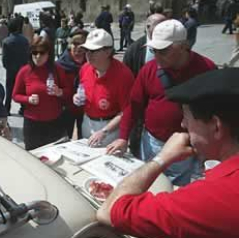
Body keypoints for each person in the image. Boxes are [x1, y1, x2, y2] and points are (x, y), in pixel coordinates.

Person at [97, 68, 239, 238]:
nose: (183, 124)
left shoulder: (212, 198)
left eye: (187, 118)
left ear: (216, 126)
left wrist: (161, 159)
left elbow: (109, 212)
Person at [107, 19, 216, 186]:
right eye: (153, 50)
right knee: (149, 184)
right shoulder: (149, 69)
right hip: (152, 143)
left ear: (183, 46)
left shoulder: (207, 69)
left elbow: (217, 113)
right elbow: (133, 105)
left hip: (186, 146)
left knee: (175, 189)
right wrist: (123, 137)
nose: (156, 55)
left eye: (163, 50)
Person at [75, 29, 134, 147]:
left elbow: (127, 111)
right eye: (87, 50)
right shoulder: (85, 68)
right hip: (87, 122)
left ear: (108, 51)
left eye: (93, 51)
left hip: (110, 129)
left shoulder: (123, 75)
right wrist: (76, 97)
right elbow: (81, 91)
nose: (88, 54)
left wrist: (104, 131)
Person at [12, 36, 71, 150]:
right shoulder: (24, 71)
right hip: (32, 124)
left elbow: (69, 91)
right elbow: (15, 95)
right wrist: (28, 99)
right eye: (35, 52)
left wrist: (59, 92)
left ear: (48, 54)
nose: (38, 56)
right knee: (34, 159)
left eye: (42, 53)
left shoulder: (57, 70)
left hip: (54, 123)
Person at [122, 13, 167, 157]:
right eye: (158, 26)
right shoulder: (134, 49)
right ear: (148, 27)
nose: (162, 29)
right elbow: (127, 77)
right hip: (139, 103)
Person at [56, 29, 88, 139]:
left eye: (82, 44)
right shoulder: (60, 65)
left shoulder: (92, 64)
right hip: (65, 109)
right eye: (75, 44)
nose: (78, 48)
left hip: (86, 110)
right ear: (70, 45)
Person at [2, 18, 29, 114]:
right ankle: (23, 108)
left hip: (11, 70)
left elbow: (5, 59)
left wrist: (7, 67)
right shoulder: (24, 40)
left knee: (9, 89)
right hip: (23, 69)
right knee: (22, 88)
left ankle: (7, 108)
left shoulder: (6, 41)